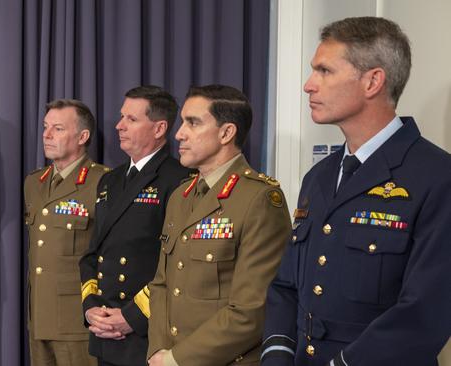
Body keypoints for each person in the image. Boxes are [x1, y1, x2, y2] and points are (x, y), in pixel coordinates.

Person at [262, 17, 451, 366]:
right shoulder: (318, 177)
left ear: (372, 81)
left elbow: (426, 313)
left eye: (324, 71)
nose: (308, 85)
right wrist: (277, 355)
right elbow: (286, 286)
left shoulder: (437, 177)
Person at [146, 85, 291, 366]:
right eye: (182, 122)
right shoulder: (180, 196)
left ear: (226, 133)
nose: (179, 134)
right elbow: (162, 285)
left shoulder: (260, 198)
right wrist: (158, 351)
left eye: (193, 123)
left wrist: (177, 359)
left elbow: (251, 310)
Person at [78, 86, 193, 366]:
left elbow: (179, 264)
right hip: (105, 329)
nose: (119, 126)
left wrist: (132, 317)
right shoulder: (110, 181)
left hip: (145, 331)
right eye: (121, 117)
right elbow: (93, 253)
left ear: (159, 128)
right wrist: (91, 307)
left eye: (131, 119)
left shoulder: (180, 180)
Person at [24, 99, 108, 366]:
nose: (47, 135)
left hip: (76, 319)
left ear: (83, 136)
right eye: (45, 127)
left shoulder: (103, 182)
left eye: (58, 129)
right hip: (39, 316)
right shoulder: (34, 183)